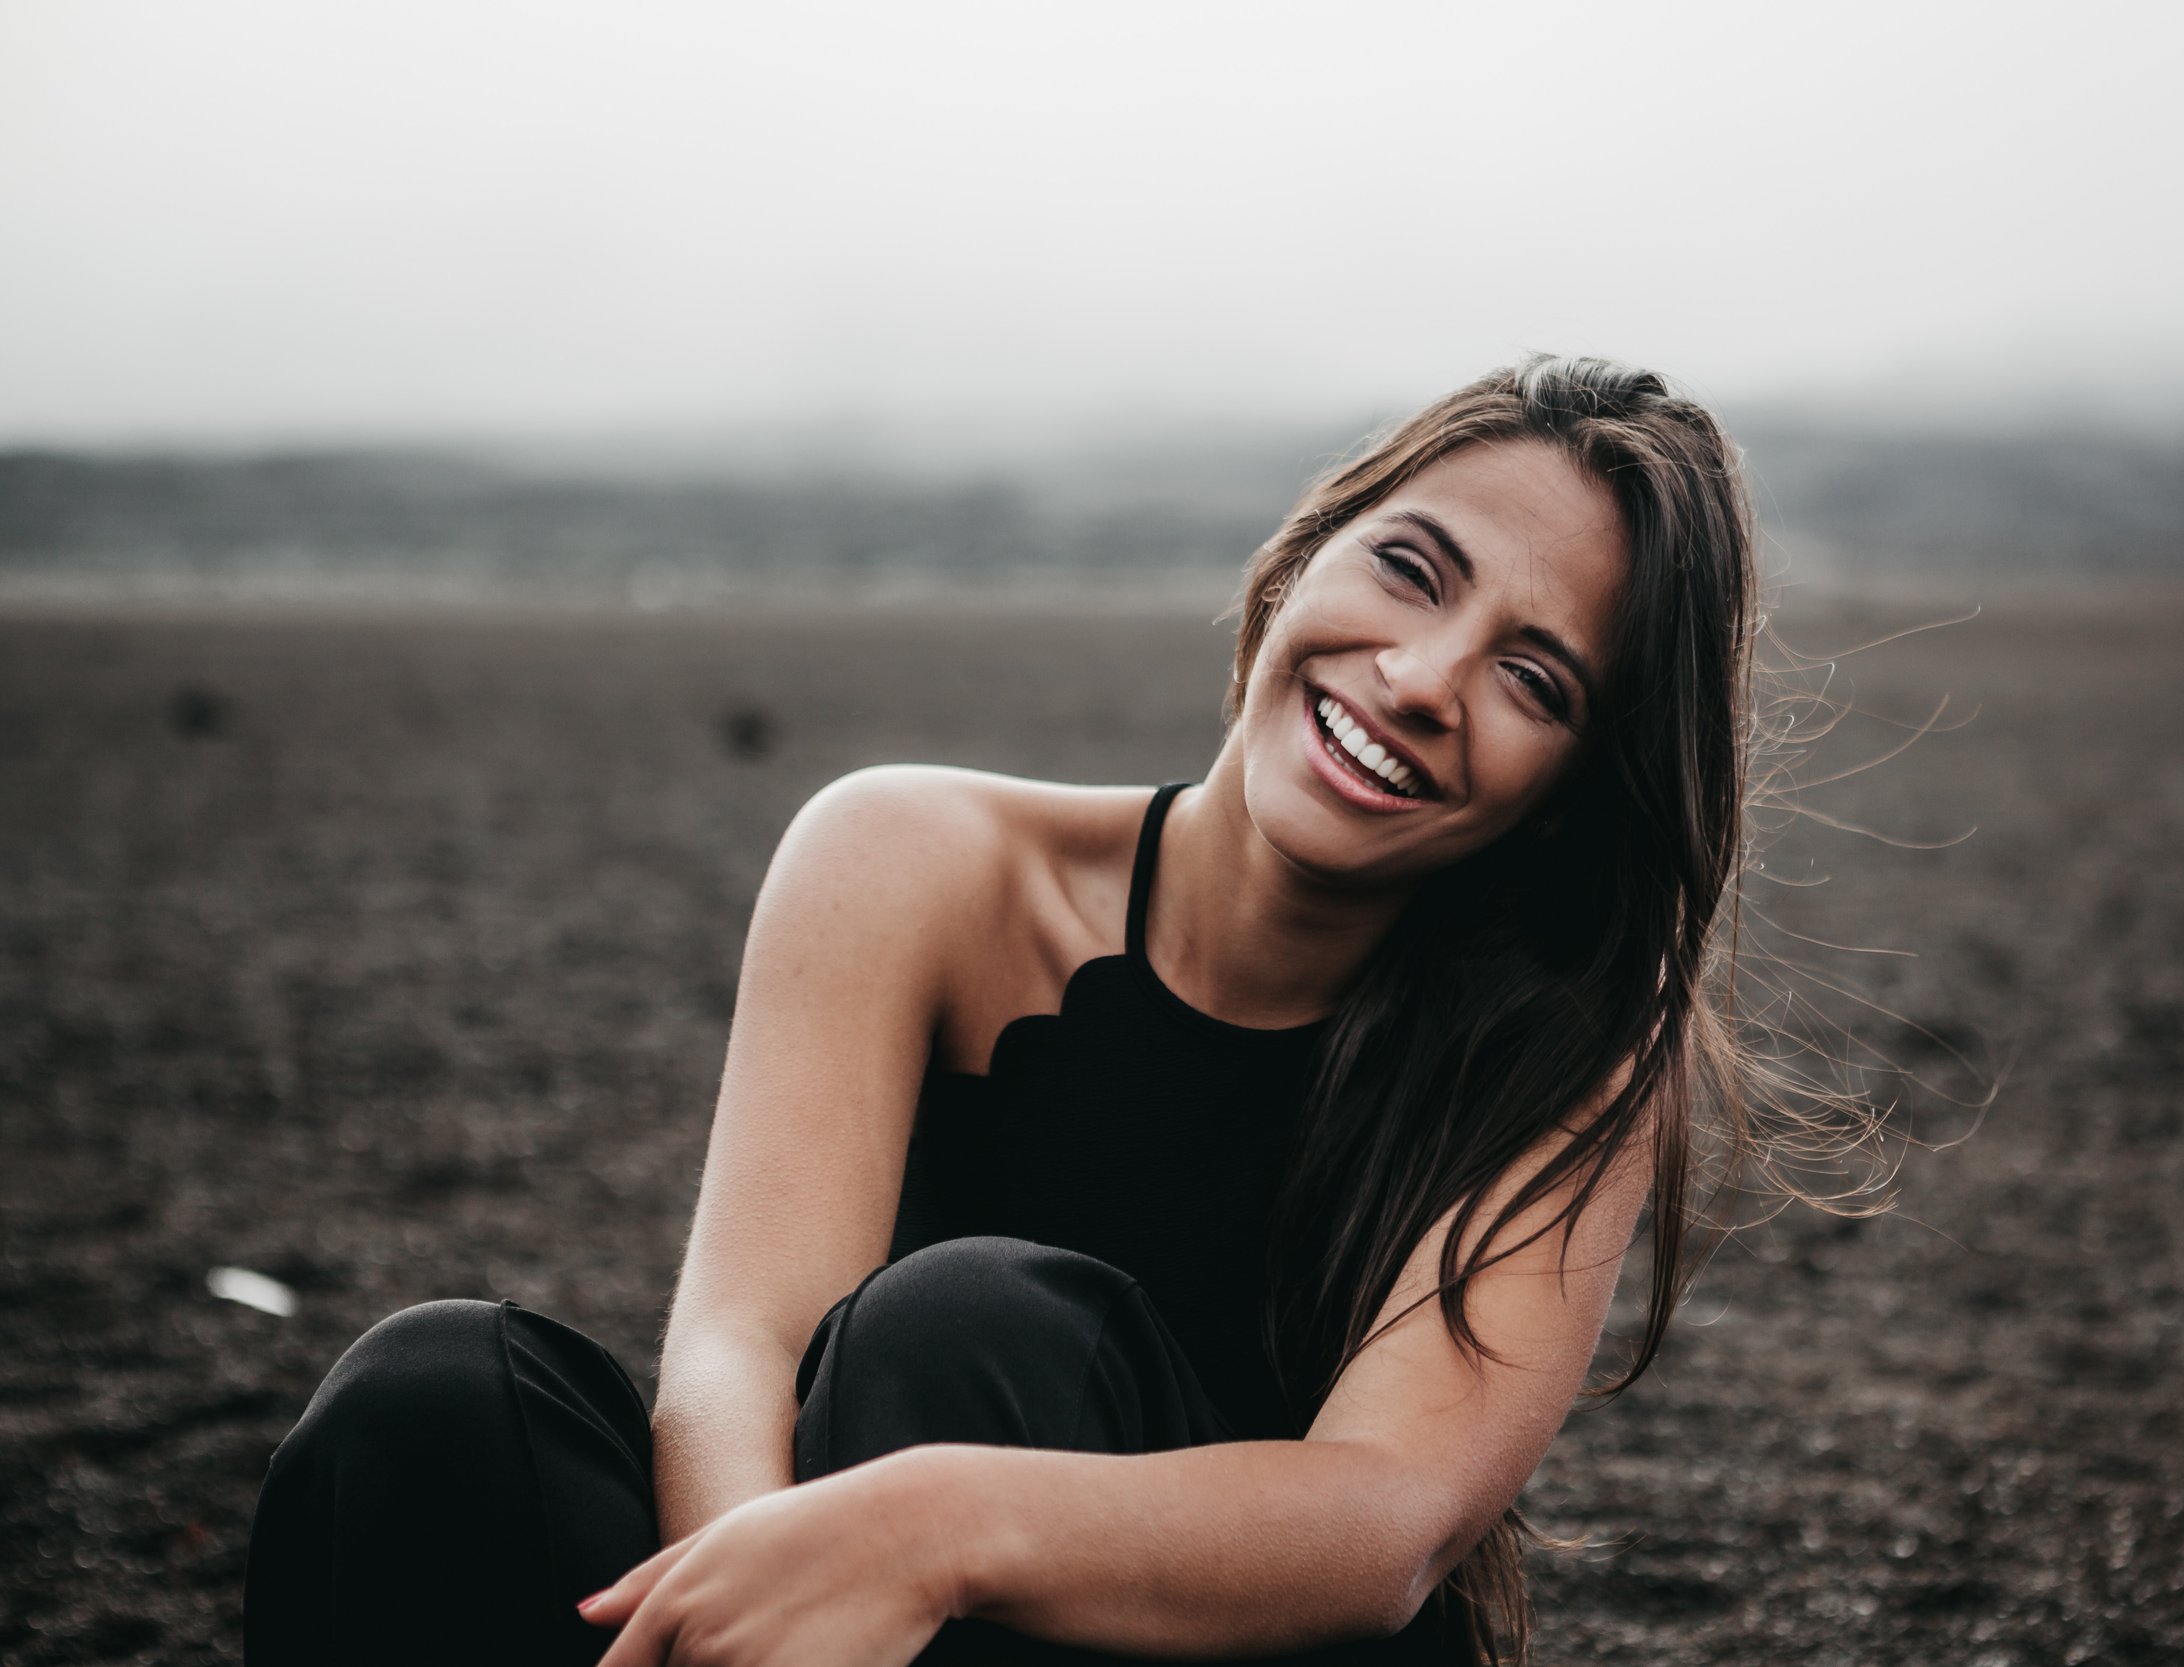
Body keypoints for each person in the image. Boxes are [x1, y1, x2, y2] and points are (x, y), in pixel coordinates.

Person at [244, 353, 1764, 1667]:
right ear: (1306, 555)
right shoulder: (908, 859)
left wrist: (936, 1527)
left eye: (1537, 681)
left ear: (1572, 800)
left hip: (1236, 1643)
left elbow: (1387, 1522)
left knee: (962, 1334)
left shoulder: (1573, 1047)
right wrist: (786, 1590)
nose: (1425, 675)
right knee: (433, 1407)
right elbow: (737, 1347)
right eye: (1411, 570)